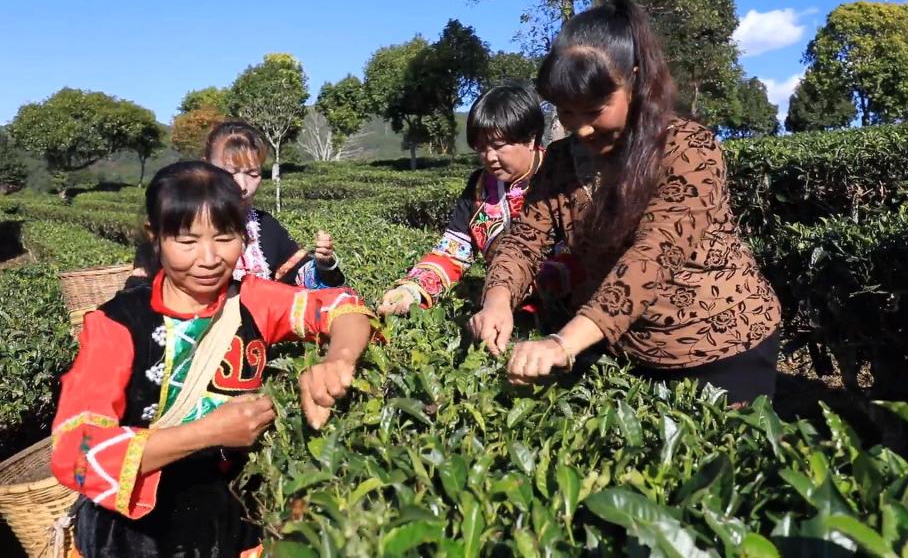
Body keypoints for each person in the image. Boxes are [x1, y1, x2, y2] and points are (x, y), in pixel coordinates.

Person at [52, 161, 375, 557]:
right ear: (155, 237)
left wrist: (338, 359)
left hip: (236, 522)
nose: (208, 258)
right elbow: (76, 454)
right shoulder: (116, 324)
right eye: (187, 241)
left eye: (225, 238)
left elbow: (344, 306)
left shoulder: (251, 299)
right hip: (136, 534)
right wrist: (208, 432)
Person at [469, 0, 782, 405]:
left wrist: (563, 343)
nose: (579, 129)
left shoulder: (689, 149)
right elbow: (526, 240)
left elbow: (652, 259)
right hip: (619, 346)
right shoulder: (561, 162)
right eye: (566, 111)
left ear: (634, 80)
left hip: (719, 345)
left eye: (595, 110)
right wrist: (497, 300)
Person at [378, 85, 581, 319]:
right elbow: (453, 250)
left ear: (530, 138)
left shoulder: (563, 177)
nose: (490, 157)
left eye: (498, 146)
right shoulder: (479, 187)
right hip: (500, 305)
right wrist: (411, 291)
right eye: (482, 148)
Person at [127, 121, 343, 289]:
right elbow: (137, 301)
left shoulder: (266, 226)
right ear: (205, 167)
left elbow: (301, 283)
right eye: (230, 173)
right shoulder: (175, 223)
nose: (241, 185)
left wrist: (323, 265)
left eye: (253, 174)